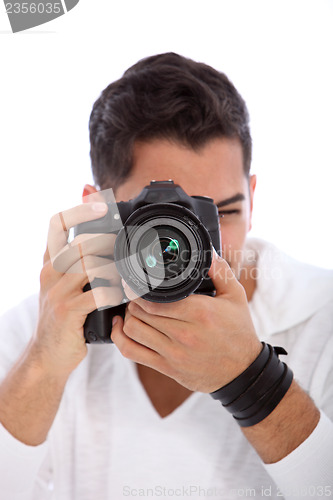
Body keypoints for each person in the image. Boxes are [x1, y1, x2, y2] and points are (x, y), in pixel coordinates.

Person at [0, 52, 332, 500]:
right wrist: (43, 365)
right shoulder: (40, 329)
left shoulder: (322, 319)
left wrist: (251, 378)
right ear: (98, 210)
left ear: (252, 199)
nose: (199, 246)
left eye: (222, 212)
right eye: (166, 220)